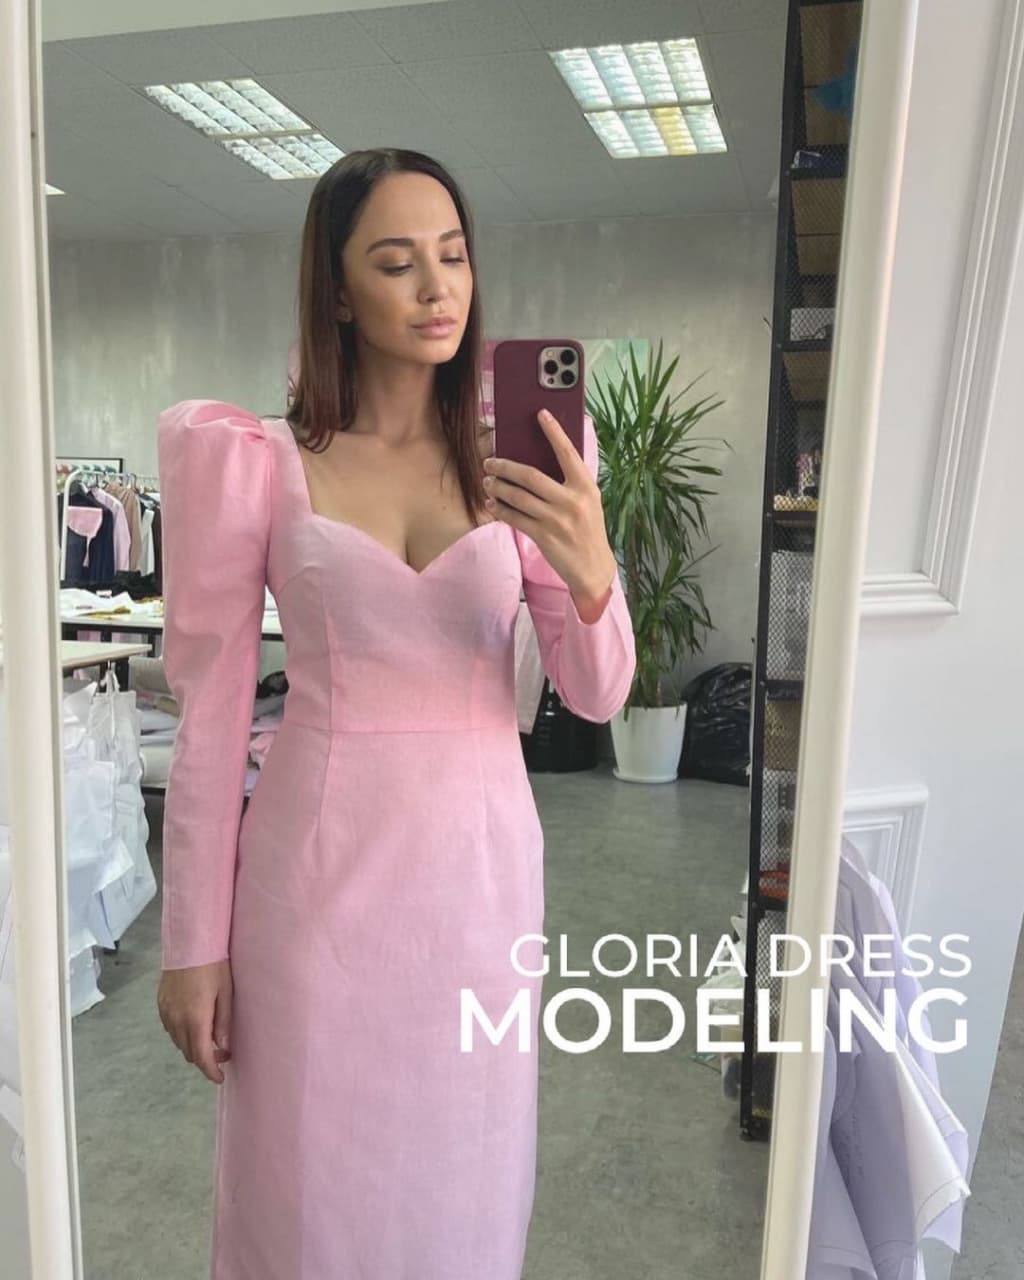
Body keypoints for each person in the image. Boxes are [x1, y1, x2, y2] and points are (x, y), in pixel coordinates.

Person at [154, 147, 636, 1280]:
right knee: (306, 1185)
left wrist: (590, 566)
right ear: (336, 292)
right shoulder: (259, 463)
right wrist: (192, 944)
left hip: (478, 879)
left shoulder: (527, 458)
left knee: (465, 1173)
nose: (437, 288)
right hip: (312, 885)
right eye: (396, 261)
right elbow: (211, 717)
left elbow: (596, 692)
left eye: (454, 256)